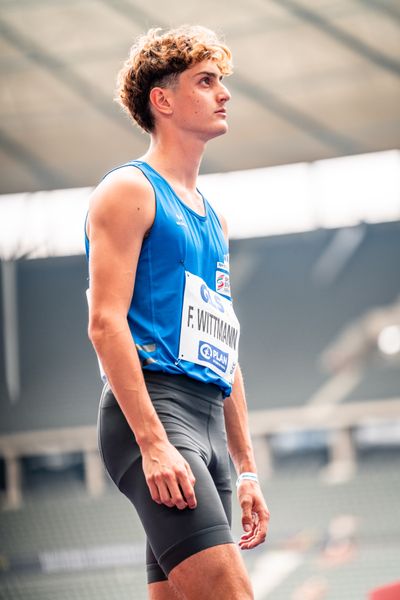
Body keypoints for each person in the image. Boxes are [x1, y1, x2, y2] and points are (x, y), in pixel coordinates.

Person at [84, 25, 270, 600]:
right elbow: (105, 322)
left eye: (222, 82)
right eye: (206, 81)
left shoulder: (214, 220)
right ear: (162, 101)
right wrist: (152, 441)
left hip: (208, 422)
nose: (224, 94)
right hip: (158, 415)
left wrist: (246, 468)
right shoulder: (129, 190)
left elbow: (224, 349)